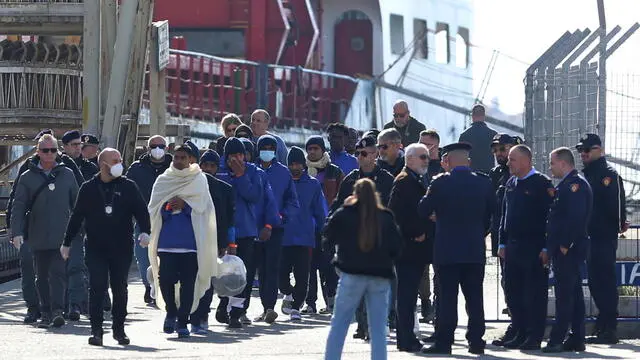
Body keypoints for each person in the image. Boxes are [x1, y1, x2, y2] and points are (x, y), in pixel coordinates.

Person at [61, 148, 150, 346]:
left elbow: (142, 211)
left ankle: (119, 330)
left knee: (120, 288)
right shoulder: (89, 188)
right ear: (103, 165)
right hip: (95, 247)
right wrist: (66, 243)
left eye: (120, 159)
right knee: (97, 287)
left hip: (121, 247)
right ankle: (97, 331)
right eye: (115, 160)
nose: (120, 163)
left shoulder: (128, 186)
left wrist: (145, 231)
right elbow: (76, 217)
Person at [418, 142, 494, 355]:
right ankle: (476, 341)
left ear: (447, 161)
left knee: (447, 299)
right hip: (474, 250)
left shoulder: (441, 183)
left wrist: (437, 215)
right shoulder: (483, 183)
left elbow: (423, 209)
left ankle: (445, 342)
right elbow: (492, 212)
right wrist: (480, 230)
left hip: (447, 250)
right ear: (468, 161)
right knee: (475, 298)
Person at [6, 129, 85, 324]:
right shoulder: (26, 176)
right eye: (45, 150)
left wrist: (83, 229)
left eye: (52, 150)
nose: (49, 153)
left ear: (58, 151)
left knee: (58, 274)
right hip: (37, 235)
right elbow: (18, 206)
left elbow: (78, 204)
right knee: (40, 276)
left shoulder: (67, 174)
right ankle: (44, 311)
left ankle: (58, 311)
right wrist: (15, 232)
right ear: (38, 151)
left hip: (61, 234)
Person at [323, 178, 402, 360]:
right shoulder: (385, 216)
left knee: (339, 325)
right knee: (378, 329)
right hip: (380, 276)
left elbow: (328, 235)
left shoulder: (345, 214)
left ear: (355, 194)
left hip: (351, 274)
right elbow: (397, 247)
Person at [147, 144, 219, 339]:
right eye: (176, 157)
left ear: (190, 160)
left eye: (182, 158)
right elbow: (153, 208)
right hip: (167, 243)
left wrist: (186, 205)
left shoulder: (199, 180)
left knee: (189, 284)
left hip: (191, 244)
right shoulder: (164, 180)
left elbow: (204, 208)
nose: (178, 161)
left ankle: (182, 320)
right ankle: (171, 312)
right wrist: (167, 208)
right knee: (166, 280)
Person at [497, 145, 554, 350]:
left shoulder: (541, 183)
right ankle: (520, 331)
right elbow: (505, 215)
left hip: (533, 246)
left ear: (525, 161)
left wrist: (547, 247)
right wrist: (501, 243)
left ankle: (534, 335)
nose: (508, 163)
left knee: (534, 294)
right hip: (513, 246)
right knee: (514, 292)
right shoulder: (511, 183)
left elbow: (550, 218)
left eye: (513, 159)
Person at [577, 134, 627, 344]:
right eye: (581, 150)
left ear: (600, 150)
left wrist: (613, 229)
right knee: (596, 282)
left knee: (604, 281)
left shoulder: (608, 175)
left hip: (603, 237)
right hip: (589, 237)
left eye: (588, 150)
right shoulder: (586, 175)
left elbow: (616, 208)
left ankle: (609, 328)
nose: (584, 154)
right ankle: (602, 325)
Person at [543, 147, 593, 353]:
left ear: (563, 164)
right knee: (573, 295)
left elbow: (575, 218)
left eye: (552, 163)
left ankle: (557, 338)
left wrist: (565, 244)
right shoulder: (566, 185)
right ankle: (577, 338)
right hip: (565, 249)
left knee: (565, 296)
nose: (550, 167)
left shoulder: (575, 186)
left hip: (569, 249)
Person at [215, 137, 264, 328]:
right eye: (233, 155)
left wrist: (240, 175)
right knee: (222, 271)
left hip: (246, 230)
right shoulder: (219, 171)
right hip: (223, 230)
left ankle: (237, 311)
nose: (237, 158)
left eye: (240, 154)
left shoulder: (253, 171)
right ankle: (223, 303)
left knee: (244, 274)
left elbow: (254, 196)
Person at [388, 143, 432, 352]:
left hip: (414, 250)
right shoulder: (404, 181)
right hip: (407, 248)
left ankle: (407, 337)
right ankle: (405, 339)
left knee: (409, 294)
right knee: (405, 296)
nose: (426, 160)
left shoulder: (415, 179)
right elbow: (395, 214)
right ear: (410, 159)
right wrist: (416, 231)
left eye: (427, 157)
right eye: (422, 157)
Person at [252, 135, 300, 324]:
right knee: (254, 270)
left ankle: (269, 307)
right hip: (253, 229)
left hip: (275, 229)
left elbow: (293, 201)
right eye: (264, 147)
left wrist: (281, 217)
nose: (268, 151)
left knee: (271, 269)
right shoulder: (251, 170)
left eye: (271, 148)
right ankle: (241, 309)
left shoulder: (283, 173)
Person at [190, 149, 237, 333]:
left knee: (207, 282)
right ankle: (190, 315)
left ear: (217, 168)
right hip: (192, 241)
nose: (208, 169)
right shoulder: (190, 186)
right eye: (205, 165)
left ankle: (202, 317)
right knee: (191, 281)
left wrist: (229, 244)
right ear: (199, 166)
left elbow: (229, 220)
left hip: (214, 243)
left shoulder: (225, 190)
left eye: (212, 166)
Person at [280, 147, 327, 320]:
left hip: (305, 237)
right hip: (283, 237)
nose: (295, 167)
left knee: (302, 274)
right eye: (291, 164)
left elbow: (320, 211)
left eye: (298, 163)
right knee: (281, 274)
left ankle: (296, 308)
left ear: (304, 164)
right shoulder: (283, 182)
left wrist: (323, 231)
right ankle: (288, 293)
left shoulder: (313, 184)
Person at [126, 135, 173, 305]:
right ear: (148, 148)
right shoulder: (137, 168)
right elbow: (127, 190)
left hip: (169, 218)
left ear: (167, 148)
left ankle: (164, 287)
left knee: (166, 254)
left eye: (161, 146)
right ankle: (149, 285)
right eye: (154, 146)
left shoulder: (174, 167)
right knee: (143, 254)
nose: (157, 149)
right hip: (144, 217)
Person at [60, 129, 98, 320]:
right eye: (74, 145)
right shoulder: (55, 166)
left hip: (78, 225)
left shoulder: (90, 168)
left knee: (76, 265)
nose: (78, 148)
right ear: (64, 147)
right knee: (57, 268)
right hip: (56, 225)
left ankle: (75, 305)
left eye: (79, 145)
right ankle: (61, 305)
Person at [303, 135, 343, 314]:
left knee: (328, 267)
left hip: (329, 225)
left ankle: (331, 301)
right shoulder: (301, 170)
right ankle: (310, 303)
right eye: (309, 149)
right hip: (306, 227)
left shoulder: (334, 171)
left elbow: (342, 197)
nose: (312, 152)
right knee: (308, 267)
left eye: (315, 148)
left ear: (322, 150)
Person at [488, 133, 520, 340]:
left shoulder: (518, 173)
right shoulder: (495, 174)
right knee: (506, 280)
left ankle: (519, 325)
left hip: (518, 237)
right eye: (496, 150)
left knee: (517, 281)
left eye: (503, 149)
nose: (499, 153)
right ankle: (514, 323)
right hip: (500, 235)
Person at [330, 136, 394, 215]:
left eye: (364, 154)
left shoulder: (386, 180)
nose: (359, 157)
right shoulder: (350, 179)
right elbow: (337, 207)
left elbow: (394, 211)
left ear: (375, 154)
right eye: (357, 153)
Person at [458, 104, 497, 174]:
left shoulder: (464, 135)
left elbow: (460, 158)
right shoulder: (493, 134)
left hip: (470, 175)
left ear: (472, 116)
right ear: (484, 116)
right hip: (489, 175)